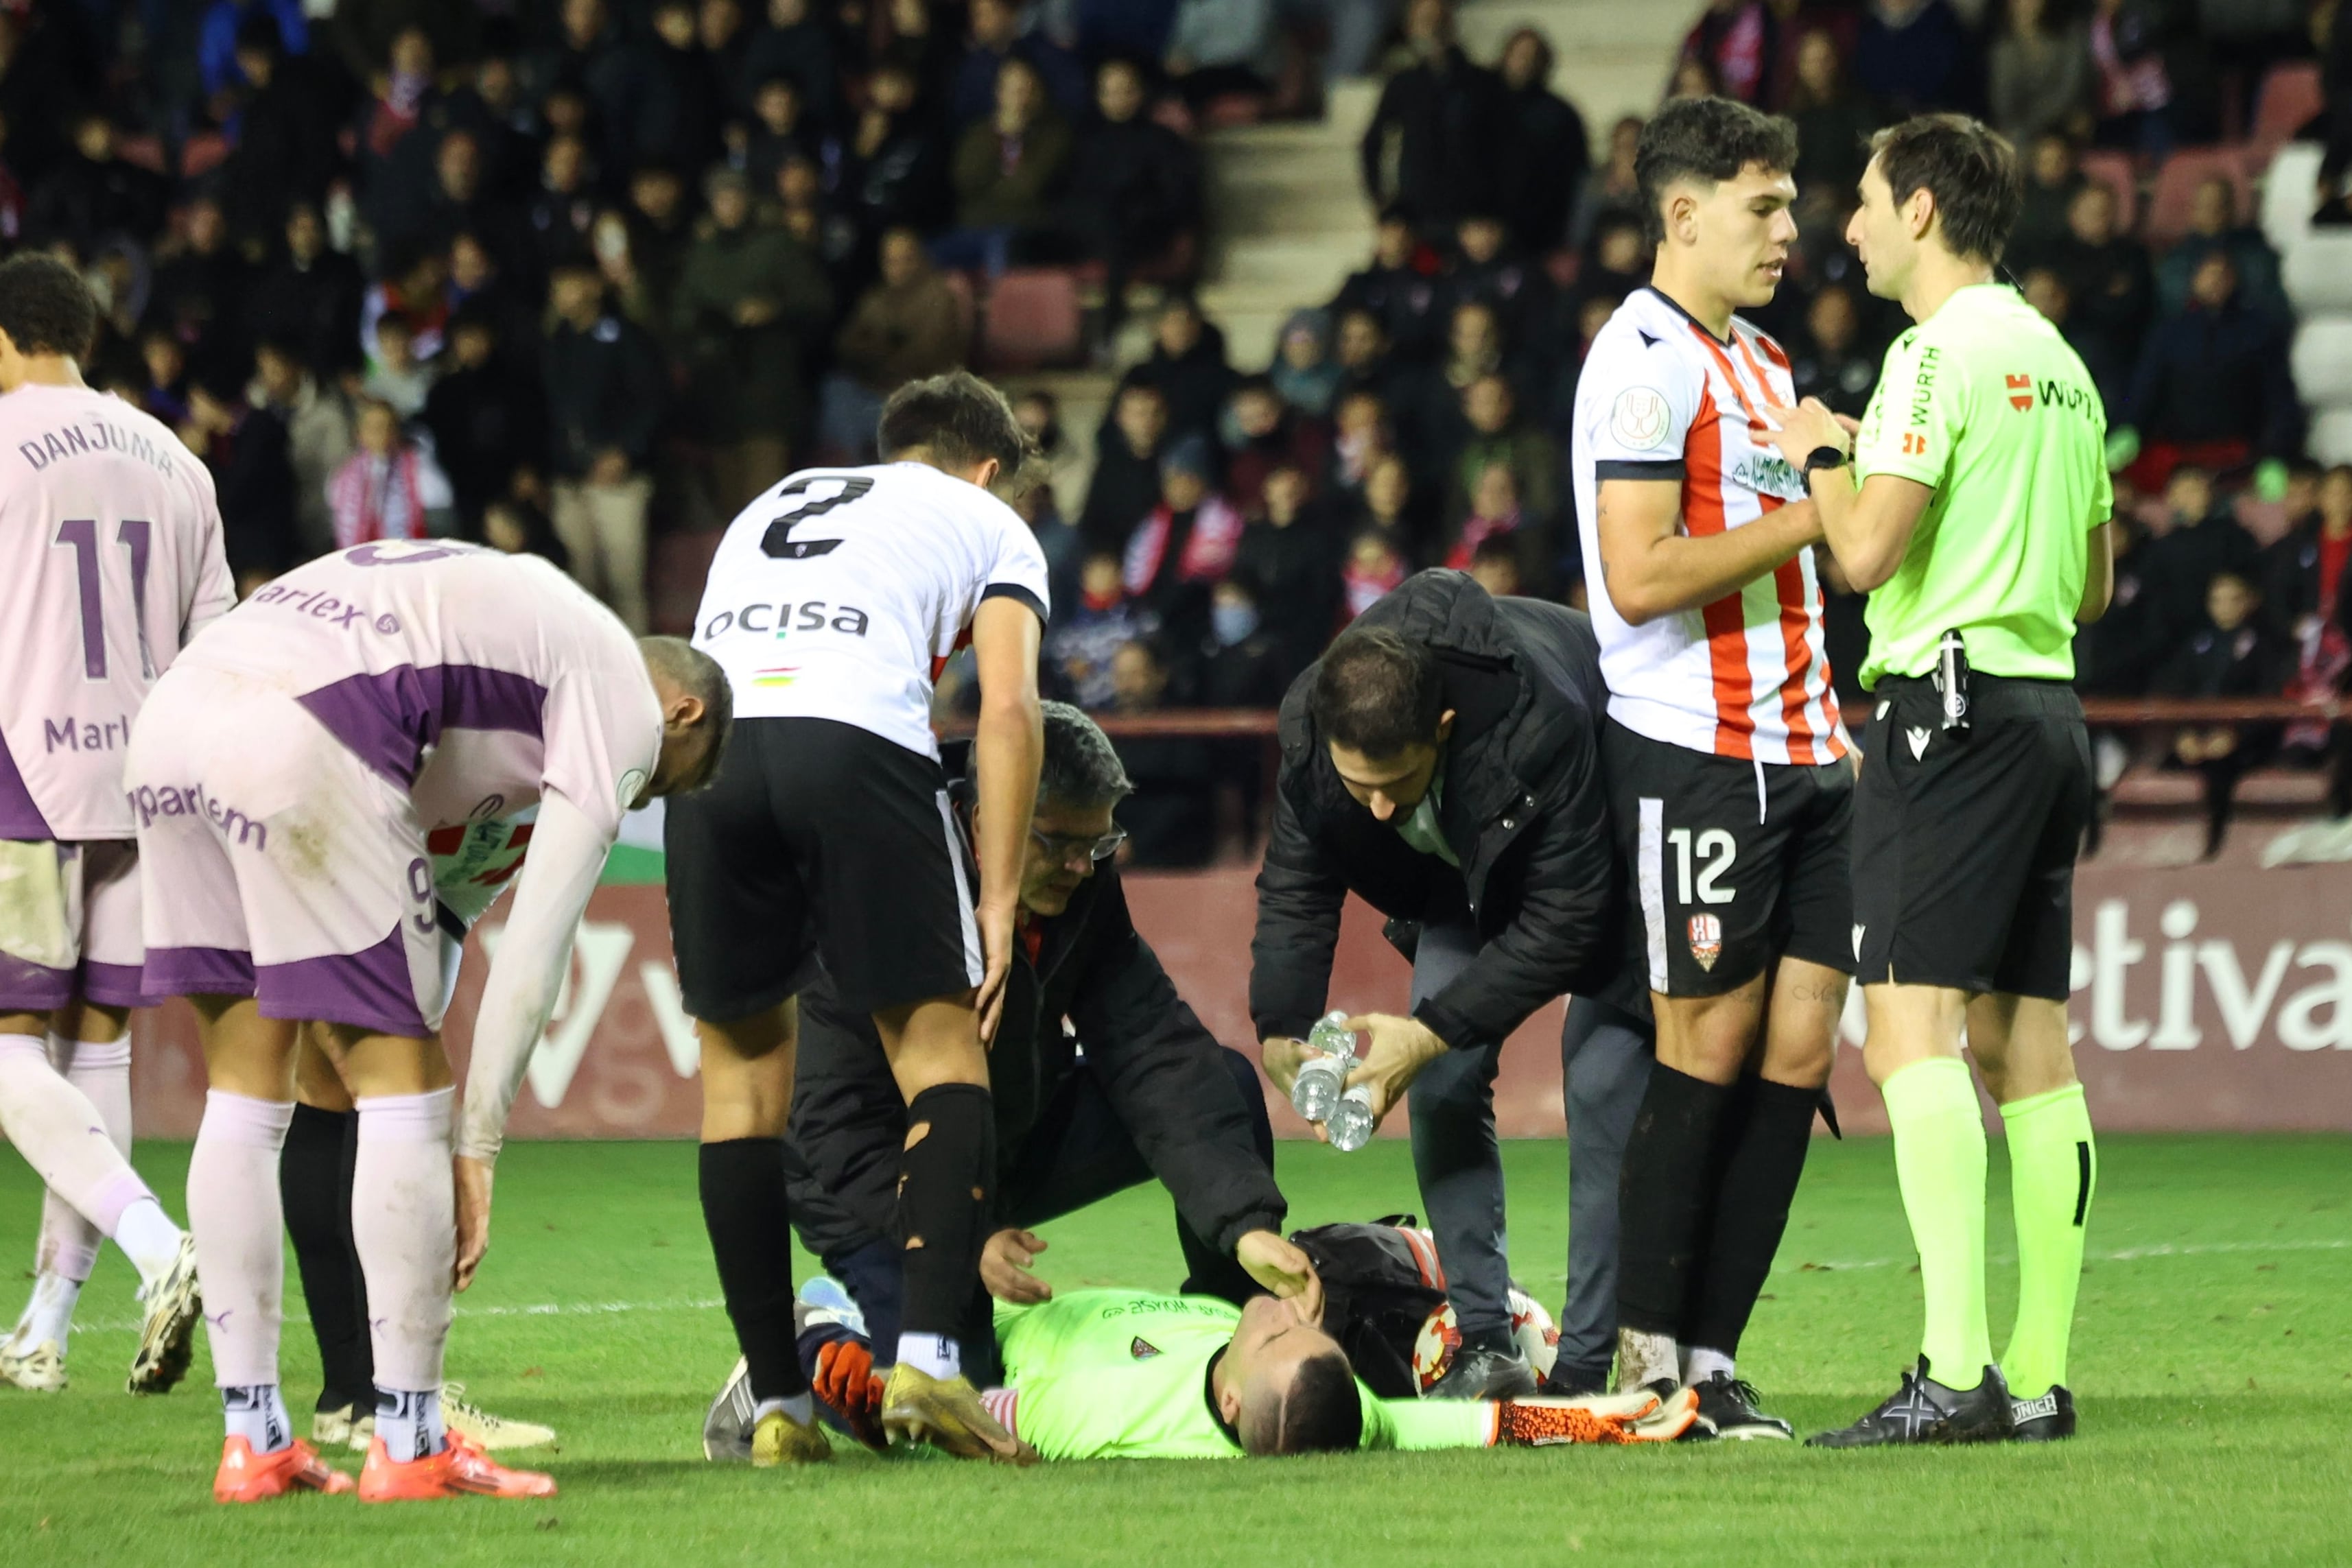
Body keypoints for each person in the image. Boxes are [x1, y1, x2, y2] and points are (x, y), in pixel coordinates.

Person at [125, 541, 727, 1504]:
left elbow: (442, 911)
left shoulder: (516, 650)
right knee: (406, 1093)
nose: (638, 795)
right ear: (683, 714)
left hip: (172, 722)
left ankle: (254, 1441)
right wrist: (474, 1148)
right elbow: (535, 948)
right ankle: (409, 1441)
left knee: (243, 1090)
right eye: (661, 783)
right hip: (305, 726)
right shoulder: (618, 692)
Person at [1763, 112, 2113, 1447]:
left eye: (1862, 201)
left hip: (1946, 716)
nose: (1848, 226)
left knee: (1906, 1032)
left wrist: (1820, 448)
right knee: (2025, 1046)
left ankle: (1953, 1374)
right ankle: (2035, 1379)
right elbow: (2091, 583)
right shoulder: (2062, 365)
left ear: (1918, 210)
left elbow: (1859, 555)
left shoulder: (1929, 356)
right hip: (2046, 711)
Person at [701, 705, 1318, 1459]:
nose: (1081, 867)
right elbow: (831, 1123)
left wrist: (1244, 1224)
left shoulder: (1081, 880)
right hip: (869, 1179)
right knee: (954, 1399)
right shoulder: (876, 884)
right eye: (1057, 842)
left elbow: (1152, 1048)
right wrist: (959, 1238)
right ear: (982, 819)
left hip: (1004, 1137)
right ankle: (805, 1349)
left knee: (1223, 1083)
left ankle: (1226, 1342)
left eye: (1098, 844)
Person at [667, 372, 1050, 1466]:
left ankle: (779, 1405)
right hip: (855, 738)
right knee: (943, 1057)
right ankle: (928, 1363)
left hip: (713, 755)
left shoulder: (776, 498)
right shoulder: (990, 522)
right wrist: (999, 894)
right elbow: (1009, 706)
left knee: (740, 1090)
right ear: (988, 469)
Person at [1568, 97, 1853, 1442]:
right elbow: (1634, 577)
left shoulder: (1763, 356)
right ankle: (1643, 1365)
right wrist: (1815, 509)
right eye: (1763, 205)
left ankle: (1716, 1358)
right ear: (1681, 214)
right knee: (1710, 1045)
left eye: (1789, 203)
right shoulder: (1641, 363)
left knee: (1795, 1054)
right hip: (1697, 749)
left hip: (1812, 750)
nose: (1789, 229)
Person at [1249, 570, 1654, 1401]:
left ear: (1443, 728)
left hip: (1606, 858)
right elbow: (1297, 884)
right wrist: (1279, 1028)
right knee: (1440, 1084)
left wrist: (1429, 1030)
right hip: (1465, 878)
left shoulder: (1538, 722)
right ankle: (1483, 1346)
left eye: (1394, 783)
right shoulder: (1312, 724)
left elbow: (1569, 918)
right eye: (1356, 785)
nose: (1374, 809)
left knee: (1601, 1081)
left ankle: (1583, 1373)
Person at [0, 254, 224, 1398]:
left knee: (7, 1050)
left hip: (22, 772)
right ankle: (44, 1328)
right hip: (145, 783)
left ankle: (157, 1242)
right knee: (98, 1049)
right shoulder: (178, 460)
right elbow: (217, 647)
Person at [543, 258, 665, 634]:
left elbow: (655, 401)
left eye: (571, 283)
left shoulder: (626, 336)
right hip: (570, 480)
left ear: (594, 286)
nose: (563, 294)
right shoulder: (554, 342)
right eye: (558, 286)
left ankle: (641, 664)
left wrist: (626, 451)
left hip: (619, 480)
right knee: (578, 587)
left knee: (625, 583)